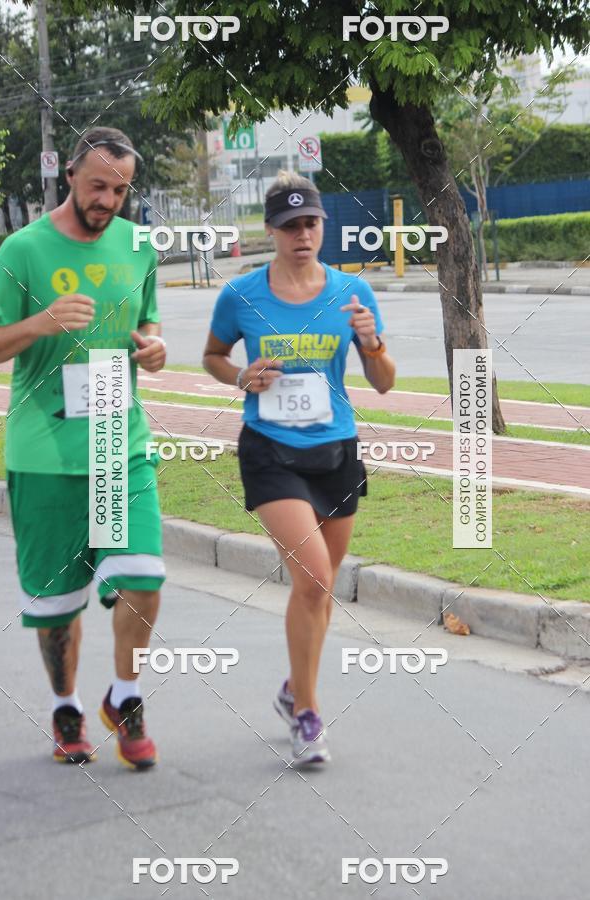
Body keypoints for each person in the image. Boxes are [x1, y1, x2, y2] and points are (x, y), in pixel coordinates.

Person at [203, 171, 395, 765]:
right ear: (272, 231)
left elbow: (385, 383)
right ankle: (309, 717)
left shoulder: (352, 295)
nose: (301, 234)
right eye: (289, 226)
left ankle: (294, 690)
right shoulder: (241, 296)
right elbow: (212, 355)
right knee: (313, 577)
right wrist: (238, 375)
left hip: (335, 453)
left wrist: (373, 346)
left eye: (310, 222)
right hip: (268, 451)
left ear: (322, 225)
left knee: (321, 587)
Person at [0, 126, 167, 769]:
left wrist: (152, 343)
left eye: (120, 189)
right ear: (69, 175)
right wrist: (40, 323)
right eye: (98, 186)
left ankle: (126, 694)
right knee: (57, 606)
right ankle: (66, 706)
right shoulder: (23, 249)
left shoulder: (138, 245)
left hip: (120, 444)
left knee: (143, 576)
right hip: (45, 453)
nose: (108, 200)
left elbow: (147, 317)